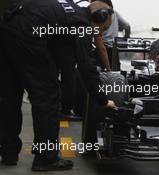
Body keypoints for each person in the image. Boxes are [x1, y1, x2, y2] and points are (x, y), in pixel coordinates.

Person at [0, 0, 115, 171]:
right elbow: (87, 67)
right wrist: (103, 100)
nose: (99, 32)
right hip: (29, 36)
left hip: (7, 30)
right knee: (47, 97)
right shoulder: (81, 24)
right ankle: (46, 158)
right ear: (99, 16)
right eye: (103, 28)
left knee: (9, 97)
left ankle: (9, 153)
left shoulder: (68, 10)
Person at [92, 0, 131, 70]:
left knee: (98, 73)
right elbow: (127, 26)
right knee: (116, 74)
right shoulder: (114, 13)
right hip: (113, 49)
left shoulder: (96, 14)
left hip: (99, 48)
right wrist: (126, 38)